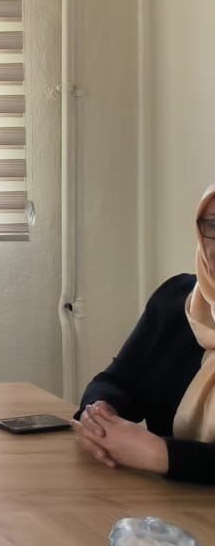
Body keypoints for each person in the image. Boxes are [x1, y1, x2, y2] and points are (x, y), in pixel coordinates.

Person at [74, 186, 215, 485]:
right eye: (213, 225)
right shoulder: (176, 300)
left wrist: (159, 454)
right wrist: (99, 414)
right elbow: (118, 381)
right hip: (162, 504)